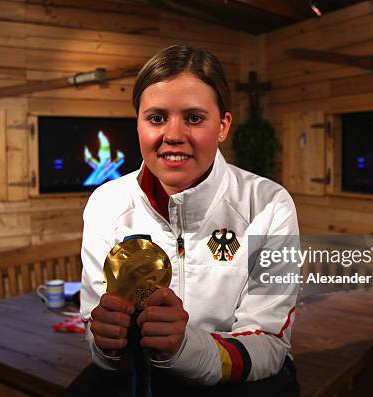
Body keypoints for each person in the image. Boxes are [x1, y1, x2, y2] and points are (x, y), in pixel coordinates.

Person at [62, 44, 300, 396]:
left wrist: (184, 348)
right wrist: (107, 344)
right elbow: (98, 336)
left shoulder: (269, 204)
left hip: (237, 380)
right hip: (135, 374)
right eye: (157, 118)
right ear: (139, 124)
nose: (173, 135)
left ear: (223, 125)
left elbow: (269, 343)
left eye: (193, 118)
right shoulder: (106, 203)